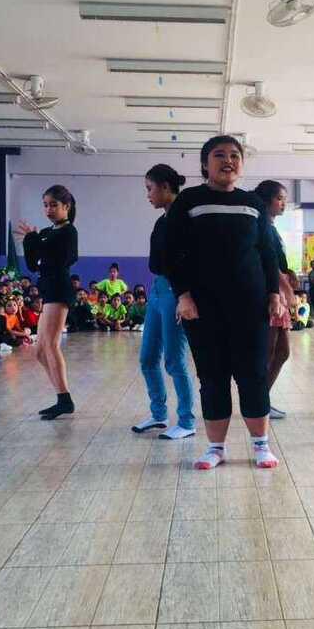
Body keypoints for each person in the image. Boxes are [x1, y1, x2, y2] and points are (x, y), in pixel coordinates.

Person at [164, 136, 283, 469]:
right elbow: (170, 252)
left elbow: (268, 253)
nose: (228, 160)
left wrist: (274, 294)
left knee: (253, 375)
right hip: (202, 308)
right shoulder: (189, 200)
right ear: (205, 164)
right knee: (213, 377)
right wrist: (183, 295)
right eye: (219, 155)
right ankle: (215, 448)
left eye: (234, 155)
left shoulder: (253, 203)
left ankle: (261, 445)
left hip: (251, 307)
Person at [132, 163, 197, 440]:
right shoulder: (162, 221)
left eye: (150, 189)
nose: (147, 194)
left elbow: (191, 262)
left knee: (174, 360)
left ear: (166, 187)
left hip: (176, 292)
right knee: (147, 359)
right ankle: (158, 414)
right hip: (157, 289)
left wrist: (186, 296)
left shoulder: (187, 218)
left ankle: (187, 421)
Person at [15, 184, 78, 420]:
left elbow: (62, 259)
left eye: (53, 205)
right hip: (47, 291)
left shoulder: (68, 231)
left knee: (51, 345)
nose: (48, 209)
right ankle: (63, 397)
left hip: (59, 289)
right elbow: (33, 264)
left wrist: (37, 242)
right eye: (45, 205)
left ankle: (64, 399)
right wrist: (30, 240)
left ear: (66, 206)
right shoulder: (45, 232)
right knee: (40, 352)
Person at [254, 180, 296, 420]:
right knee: (268, 352)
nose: (283, 203)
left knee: (282, 352)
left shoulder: (271, 227)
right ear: (266, 200)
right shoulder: (261, 226)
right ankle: (258, 402)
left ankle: (263, 399)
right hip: (271, 295)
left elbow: (279, 261)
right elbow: (268, 264)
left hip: (280, 292)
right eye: (279, 198)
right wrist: (285, 289)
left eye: (284, 199)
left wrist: (289, 273)